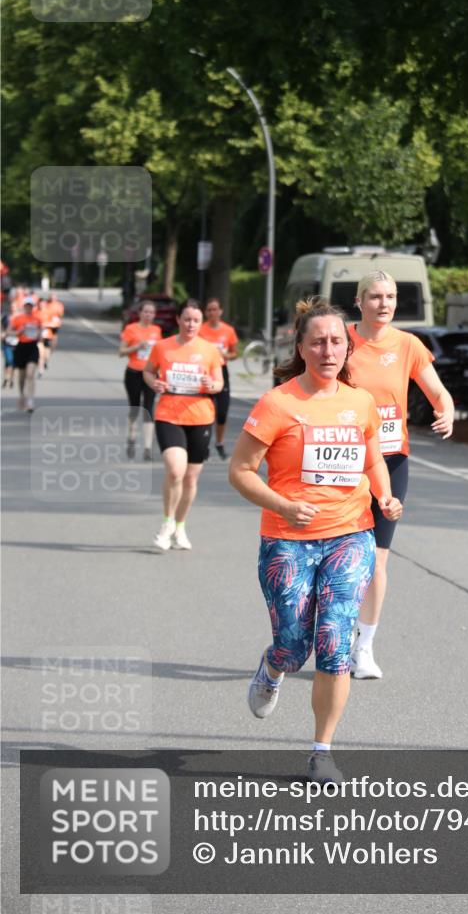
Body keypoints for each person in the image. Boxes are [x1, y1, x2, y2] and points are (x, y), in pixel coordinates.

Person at [228, 298, 402, 783]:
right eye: (318, 342)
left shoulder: (360, 401)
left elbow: (372, 460)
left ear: (348, 348)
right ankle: (273, 666)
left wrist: (385, 497)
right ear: (302, 347)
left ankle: (321, 750)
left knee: (333, 642)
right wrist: (283, 505)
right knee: (292, 640)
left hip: (350, 535)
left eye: (337, 342)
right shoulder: (278, 403)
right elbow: (240, 471)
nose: (328, 350)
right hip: (288, 538)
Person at [346, 271, 455, 679]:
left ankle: (365, 647)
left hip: (391, 461)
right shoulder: (341, 341)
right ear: (360, 301)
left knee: (375, 560)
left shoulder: (408, 345)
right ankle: (332, 631)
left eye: (390, 296)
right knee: (335, 555)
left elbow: (437, 390)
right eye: (375, 296)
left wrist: (447, 411)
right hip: (341, 461)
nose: (384, 303)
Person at [143, 299, 222, 551]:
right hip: (169, 414)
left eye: (196, 320)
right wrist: (153, 383)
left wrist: (213, 386)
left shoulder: (209, 350)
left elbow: (219, 382)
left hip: (200, 416)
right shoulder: (162, 347)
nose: (191, 324)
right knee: (176, 470)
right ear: (178, 319)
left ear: (201, 323)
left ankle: (180, 525)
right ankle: (167, 523)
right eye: (186, 319)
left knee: (190, 478)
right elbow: (147, 371)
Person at [119, 300, 163, 459]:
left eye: (151, 312)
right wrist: (136, 347)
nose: (148, 315)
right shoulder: (131, 329)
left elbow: (161, 353)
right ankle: (131, 438)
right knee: (135, 408)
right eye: (145, 312)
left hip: (151, 374)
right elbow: (121, 351)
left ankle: (147, 447)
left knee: (149, 409)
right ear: (140, 313)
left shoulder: (157, 330)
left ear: (154, 315)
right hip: (133, 373)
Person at [199, 297, 239, 459]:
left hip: (221, 372)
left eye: (215, 309)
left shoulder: (228, 330)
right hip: (204, 372)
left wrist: (225, 354)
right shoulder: (200, 330)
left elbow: (235, 353)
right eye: (209, 310)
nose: (212, 313)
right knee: (205, 411)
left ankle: (220, 442)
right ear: (205, 312)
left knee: (222, 412)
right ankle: (203, 443)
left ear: (221, 311)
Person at [9, 298, 42, 412]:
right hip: (21, 347)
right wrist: (19, 332)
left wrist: (39, 335)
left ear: (33, 307)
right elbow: (9, 332)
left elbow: (40, 333)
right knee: (22, 377)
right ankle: (22, 394)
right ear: (24, 307)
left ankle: (30, 400)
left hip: (32, 347)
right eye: (27, 306)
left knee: (30, 374)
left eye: (30, 306)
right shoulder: (17, 319)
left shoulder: (37, 319)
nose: (28, 308)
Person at [2, 314, 16, 389]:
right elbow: (1, 328)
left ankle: (11, 379)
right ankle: (6, 378)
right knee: (8, 361)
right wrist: (2, 334)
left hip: (16, 344)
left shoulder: (20, 318)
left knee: (13, 363)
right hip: (7, 343)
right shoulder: (6, 317)